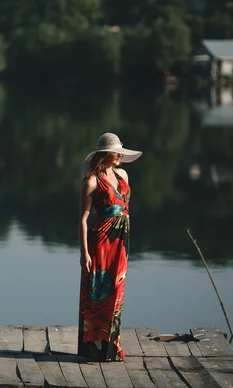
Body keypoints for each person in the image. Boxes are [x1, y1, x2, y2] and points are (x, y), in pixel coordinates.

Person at [77, 132, 142, 362]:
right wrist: (84, 253)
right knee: (98, 293)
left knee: (117, 292)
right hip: (101, 242)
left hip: (121, 241)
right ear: (106, 154)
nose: (120, 156)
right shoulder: (92, 181)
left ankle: (112, 346)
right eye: (117, 152)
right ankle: (95, 348)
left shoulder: (122, 175)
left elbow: (124, 206)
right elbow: (84, 219)